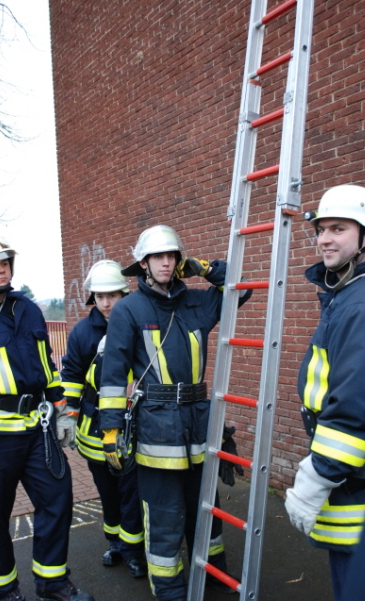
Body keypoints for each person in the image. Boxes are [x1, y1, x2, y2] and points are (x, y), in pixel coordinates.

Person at [98, 224, 251, 601]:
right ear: (143, 264)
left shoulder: (198, 301)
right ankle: (169, 589)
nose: (166, 263)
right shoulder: (128, 310)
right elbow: (114, 375)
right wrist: (110, 431)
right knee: (165, 513)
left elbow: (241, 288)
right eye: (157, 257)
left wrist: (203, 268)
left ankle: (214, 572)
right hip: (156, 425)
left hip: (199, 421)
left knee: (205, 505)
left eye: (172, 256)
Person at [0, 236, 94, 601]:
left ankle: (52, 583)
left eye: (5, 263)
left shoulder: (28, 309)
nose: (2, 270)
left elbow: (47, 366)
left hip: (37, 430)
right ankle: (4, 592)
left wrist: (63, 411)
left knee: (58, 498)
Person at [285, 184, 365, 601]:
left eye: (339, 228)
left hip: (353, 478)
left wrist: (319, 475)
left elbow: (355, 404)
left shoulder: (358, 304)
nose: (325, 239)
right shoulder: (344, 296)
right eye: (321, 229)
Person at [60, 260, 147, 578]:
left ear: (125, 293)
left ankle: (134, 551)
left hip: (134, 426)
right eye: (100, 296)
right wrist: (67, 415)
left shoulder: (142, 324)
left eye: (113, 295)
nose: (107, 303)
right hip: (94, 430)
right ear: (92, 299)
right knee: (108, 494)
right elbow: (71, 376)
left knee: (132, 493)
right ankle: (115, 543)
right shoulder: (83, 332)